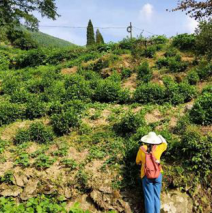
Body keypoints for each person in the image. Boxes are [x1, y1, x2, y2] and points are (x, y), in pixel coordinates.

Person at [136, 132, 167, 213]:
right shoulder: (159, 147)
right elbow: (165, 143)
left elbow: (137, 161)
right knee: (157, 197)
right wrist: (160, 136)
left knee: (149, 198)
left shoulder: (142, 149)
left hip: (146, 175)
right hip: (158, 174)